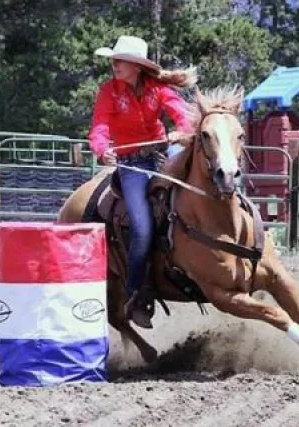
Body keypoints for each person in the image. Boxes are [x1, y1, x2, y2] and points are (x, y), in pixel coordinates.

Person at [88, 35, 196, 329]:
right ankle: (136, 292)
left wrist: (181, 131)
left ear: (136, 66)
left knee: (204, 178)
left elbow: (182, 116)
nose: (114, 64)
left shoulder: (157, 89)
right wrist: (102, 148)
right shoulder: (109, 91)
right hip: (132, 163)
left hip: (164, 152)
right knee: (142, 228)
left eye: (120, 60)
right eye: (114, 60)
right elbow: (100, 126)